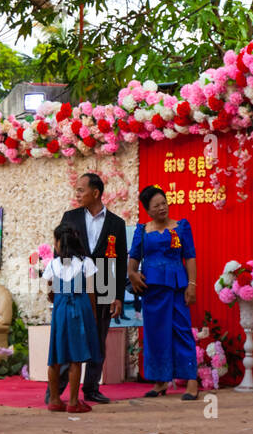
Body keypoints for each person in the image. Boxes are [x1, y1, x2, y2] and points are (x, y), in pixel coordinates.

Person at [49, 172, 128, 405]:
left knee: (97, 339)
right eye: (76, 190)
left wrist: (117, 295)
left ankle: (91, 389)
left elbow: (120, 261)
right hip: (73, 287)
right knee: (67, 341)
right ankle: (57, 393)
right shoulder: (70, 217)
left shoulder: (117, 223)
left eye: (81, 190)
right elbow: (59, 254)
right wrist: (58, 290)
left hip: (102, 284)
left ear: (96, 193)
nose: (77, 194)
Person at [128, 185, 200, 400]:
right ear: (147, 210)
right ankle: (160, 382)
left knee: (182, 330)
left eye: (164, 203)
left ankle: (191, 381)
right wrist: (132, 273)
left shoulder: (180, 228)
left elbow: (190, 257)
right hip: (151, 289)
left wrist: (192, 284)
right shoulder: (142, 231)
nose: (162, 208)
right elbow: (133, 260)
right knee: (155, 334)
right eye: (156, 206)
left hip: (177, 286)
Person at [44, 224, 102, 413]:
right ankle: (73, 402)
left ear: (60, 243)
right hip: (79, 309)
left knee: (55, 356)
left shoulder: (52, 264)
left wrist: (58, 298)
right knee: (76, 357)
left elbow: (50, 293)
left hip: (60, 310)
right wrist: (92, 314)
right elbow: (92, 292)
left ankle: (54, 399)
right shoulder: (86, 263)